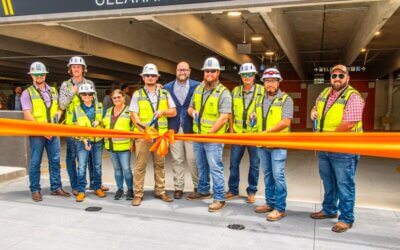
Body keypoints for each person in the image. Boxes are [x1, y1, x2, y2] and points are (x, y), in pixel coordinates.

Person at [310, 64, 365, 233]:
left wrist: (329, 137)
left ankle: (346, 218)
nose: (337, 79)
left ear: (348, 78)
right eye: (334, 76)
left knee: (344, 183)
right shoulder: (325, 93)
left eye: (341, 76)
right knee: (328, 181)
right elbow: (316, 107)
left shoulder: (353, 96)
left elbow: (349, 123)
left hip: (344, 148)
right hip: (325, 147)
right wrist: (313, 111)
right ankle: (329, 209)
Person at [187, 57, 232, 212]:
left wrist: (209, 133)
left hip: (213, 138)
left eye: (213, 71)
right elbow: (190, 107)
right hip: (198, 136)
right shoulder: (198, 89)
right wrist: (193, 113)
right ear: (204, 73)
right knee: (201, 165)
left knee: (215, 167)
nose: (210, 73)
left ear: (218, 72)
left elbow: (224, 116)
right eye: (207, 71)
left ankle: (219, 198)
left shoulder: (224, 92)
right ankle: (204, 190)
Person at [21, 62, 70, 202]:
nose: (39, 76)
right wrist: (43, 131)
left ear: (45, 75)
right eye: (36, 74)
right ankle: (35, 190)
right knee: (35, 162)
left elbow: (59, 109)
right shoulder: (27, 93)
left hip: (53, 132)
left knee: (55, 161)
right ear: (31, 75)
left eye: (41, 74)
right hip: (37, 134)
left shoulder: (53, 91)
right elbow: (27, 115)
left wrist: (56, 121)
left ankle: (56, 187)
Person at [58, 56, 108, 195]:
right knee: (72, 157)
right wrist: (72, 93)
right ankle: (75, 186)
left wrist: (97, 121)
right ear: (70, 69)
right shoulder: (65, 85)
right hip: (72, 127)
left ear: (84, 69)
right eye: (73, 67)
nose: (76, 69)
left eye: (79, 67)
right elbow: (62, 105)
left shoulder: (89, 83)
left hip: (89, 126)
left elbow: (96, 103)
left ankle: (95, 184)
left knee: (92, 156)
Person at [129, 63, 176, 206]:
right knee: (140, 166)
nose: (150, 77)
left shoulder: (165, 93)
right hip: (144, 136)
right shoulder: (137, 94)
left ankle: (160, 191)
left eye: (153, 75)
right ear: (143, 77)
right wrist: (144, 129)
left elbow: (173, 111)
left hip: (160, 137)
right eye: (147, 75)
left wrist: (163, 112)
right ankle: (138, 193)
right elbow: (133, 115)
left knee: (160, 165)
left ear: (157, 77)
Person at [255, 67, 293, 221]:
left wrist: (267, 132)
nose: (269, 84)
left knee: (278, 176)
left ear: (278, 82)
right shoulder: (260, 99)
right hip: (262, 145)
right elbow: (257, 117)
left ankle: (280, 208)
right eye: (267, 81)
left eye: (272, 81)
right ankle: (269, 203)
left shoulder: (286, 99)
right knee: (268, 175)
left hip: (278, 144)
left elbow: (286, 122)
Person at [226, 63, 264, 204]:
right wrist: (231, 130)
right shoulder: (235, 91)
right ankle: (233, 189)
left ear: (254, 76)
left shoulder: (263, 90)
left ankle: (251, 191)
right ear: (241, 77)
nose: (247, 77)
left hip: (254, 134)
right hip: (238, 133)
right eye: (244, 75)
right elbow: (230, 112)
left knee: (254, 164)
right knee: (233, 163)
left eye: (250, 75)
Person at [164, 61, 200, 199]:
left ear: (189, 71)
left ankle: (198, 186)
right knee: (176, 159)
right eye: (180, 70)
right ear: (176, 71)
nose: (182, 72)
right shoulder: (167, 88)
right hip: (173, 128)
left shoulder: (197, 86)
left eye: (185, 70)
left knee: (193, 159)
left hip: (190, 128)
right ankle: (178, 187)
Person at [74, 83, 105, 202]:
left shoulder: (100, 106)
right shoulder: (77, 109)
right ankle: (81, 191)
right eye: (84, 94)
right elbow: (77, 126)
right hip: (83, 141)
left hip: (97, 141)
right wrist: (85, 140)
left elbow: (104, 121)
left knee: (97, 166)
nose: (87, 96)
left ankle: (97, 187)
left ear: (93, 95)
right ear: (81, 95)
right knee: (82, 167)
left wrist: (99, 122)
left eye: (89, 94)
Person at [103, 89, 134, 200]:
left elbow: (133, 128)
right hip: (111, 146)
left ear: (123, 98)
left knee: (126, 169)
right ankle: (120, 189)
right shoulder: (108, 111)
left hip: (124, 146)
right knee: (117, 169)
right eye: (114, 98)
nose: (116, 99)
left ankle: (130, 190)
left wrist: (132, 142)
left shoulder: (129, 111)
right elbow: (104, 124)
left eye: (118, 97)